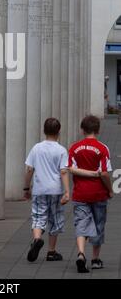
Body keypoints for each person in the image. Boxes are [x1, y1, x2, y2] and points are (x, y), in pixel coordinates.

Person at [68, 115, 113, 273]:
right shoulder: (102, 148)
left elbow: (70, 168)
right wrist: (110, 190)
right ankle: (95, 259)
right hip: (98, 193)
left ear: (82, 130)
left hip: (80, 193)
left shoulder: (74, 148)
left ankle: (81, 254)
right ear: (98, 130)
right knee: (98, 224)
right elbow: (105, 174)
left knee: (81, 223)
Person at [23, 118, 70, 263]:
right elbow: (63, 171)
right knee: (55, 219)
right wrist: (67, 191)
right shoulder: (61, 150)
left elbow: (30, 169)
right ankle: (51, 251)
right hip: (55, 189)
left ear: (44, 131)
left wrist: (26, 187)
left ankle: (37, 239)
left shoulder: (37, 148)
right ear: (59, 132)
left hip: (39, 189)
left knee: (38, 216)